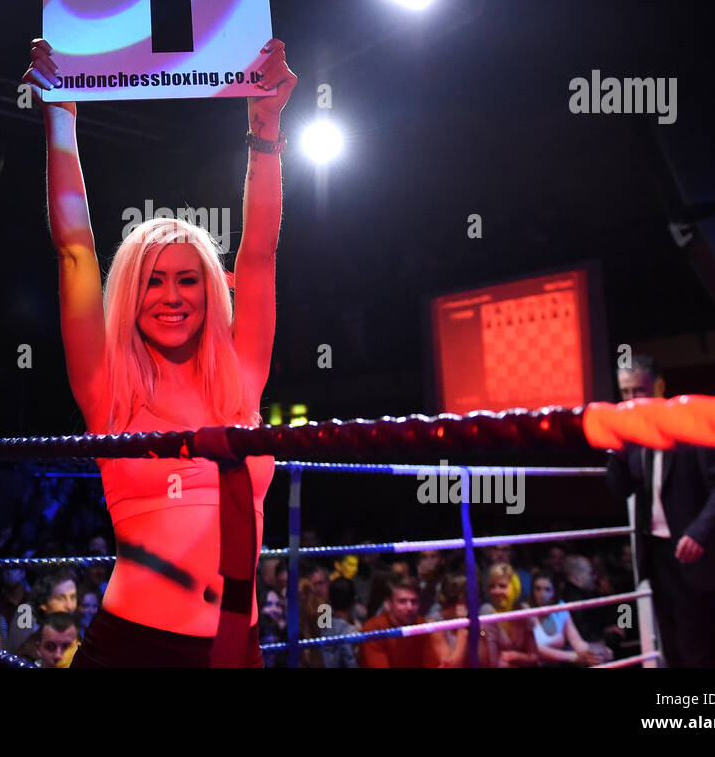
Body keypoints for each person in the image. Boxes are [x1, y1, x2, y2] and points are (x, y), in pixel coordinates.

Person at [25, 36, 298, 668]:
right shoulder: (109, 383)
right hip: (135, 647)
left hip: (238, 648)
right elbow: (74, 249)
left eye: (187, 279)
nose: (170, 296)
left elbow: (258, 254)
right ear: (130, 293)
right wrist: (60, 119)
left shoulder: (241, 374)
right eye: (152, 278)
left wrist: (265, 129)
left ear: (210, 290)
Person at [605, 354, 715, 667]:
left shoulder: (694, 423)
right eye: (624, 393)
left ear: (659, 386)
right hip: (656, 554)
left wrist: (699, 533)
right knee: (673, 649)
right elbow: (620, 489)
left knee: (702, 651)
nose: (631, 400)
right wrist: (616, 448)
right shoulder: (634, 432)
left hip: (695, 554)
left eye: (637, 391)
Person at [357, 575, 436, 667]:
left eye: (414, 601)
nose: (409, 607)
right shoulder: (374, 630)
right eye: (402, 601)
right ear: (388, 604)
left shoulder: (422, 626)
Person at [530, 570, 603, 666]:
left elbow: (575, 640)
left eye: (547, 590)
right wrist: (573, 657)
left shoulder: (560, 608)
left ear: (554, 592)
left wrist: (591, 654)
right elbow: (535, 648)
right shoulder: (525, 611)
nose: (542, 595)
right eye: (538, 589)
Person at [479, 563, 539, 667]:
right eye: (492, 586)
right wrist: (482, 634)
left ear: (515, 587)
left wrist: (515, 656)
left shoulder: (523, 610)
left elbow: (534, 656)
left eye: (502, 586)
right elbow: (491, 662)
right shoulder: (487, 611)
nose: (496, 591)